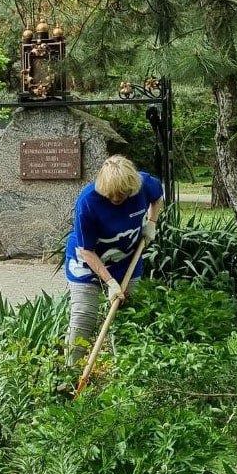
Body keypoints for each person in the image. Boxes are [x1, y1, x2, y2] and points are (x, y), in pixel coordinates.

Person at [64, 154, 164, 366]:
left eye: (124, 194)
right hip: (87, 261)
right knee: (83, 318)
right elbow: (87, 251)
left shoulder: (143, 183)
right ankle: (70, 374)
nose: (118, 198)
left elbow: (157, 197)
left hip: (126, 259)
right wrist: (110, 283)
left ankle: (124, 373)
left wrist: (152, 222)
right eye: (113, 195)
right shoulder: (88, 201)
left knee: (127, 318)